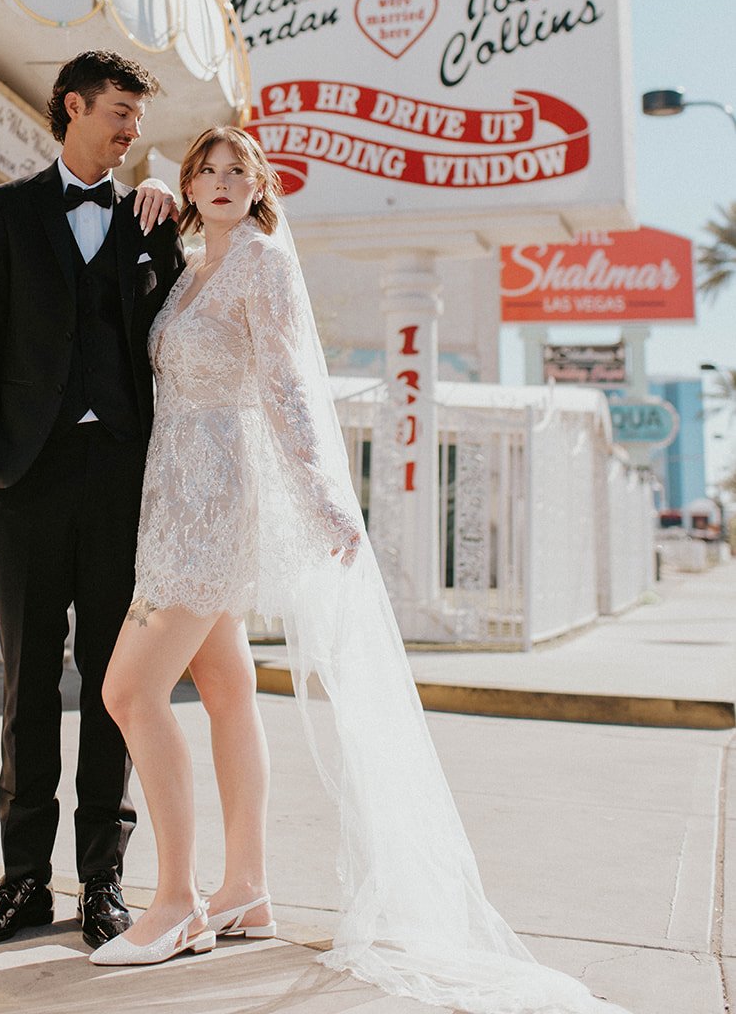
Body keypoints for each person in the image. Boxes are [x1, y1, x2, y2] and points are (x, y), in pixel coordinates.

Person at [89, 126, 630, 1014]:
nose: (222, 183)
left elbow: (289, 388)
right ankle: (249, 889)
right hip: (172, 494)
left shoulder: (262, 261)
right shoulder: (193, 263)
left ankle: (177, 902)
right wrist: (148, 185)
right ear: (190, 184)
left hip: (213, 503)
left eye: (238, 172)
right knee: (226, 686)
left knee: (128, 691)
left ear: (259, 186)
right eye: (206, 171)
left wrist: (326, 500)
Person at [0, 50, 183, 952]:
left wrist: (164, 198)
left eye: (138, 118)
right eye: (120, 112)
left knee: (115, 692)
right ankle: (21, 884)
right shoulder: (4, 214)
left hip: (123, 481)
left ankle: (104, 882)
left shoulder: (148, 217)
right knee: (25, 687)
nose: (131, 131)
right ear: (75, 108)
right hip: (25, 484)